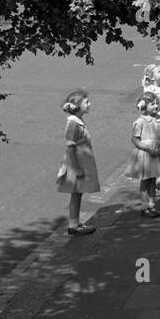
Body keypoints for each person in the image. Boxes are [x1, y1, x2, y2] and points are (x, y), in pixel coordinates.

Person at [56, 90, 99, 234]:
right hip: (77, 163)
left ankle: (75, 223)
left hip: (82, 161)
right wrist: (76, 169)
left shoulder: (78, 121)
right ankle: (73, 225)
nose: (89, 104)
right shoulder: (73, 124)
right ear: (77, 106)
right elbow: (70, 147)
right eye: (86, 102)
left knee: (78, 193)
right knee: (75, 193)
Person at [129, 92, 160, 217]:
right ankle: (145, 207)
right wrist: (147, 149)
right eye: (152, 104)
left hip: (156, 154)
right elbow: (135, 140)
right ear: (144, 106)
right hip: (146, 155)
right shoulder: (140, 122)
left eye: (157, 103)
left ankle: (152, 205)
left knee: (153, 180)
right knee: (145, 181)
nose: (156, 106)